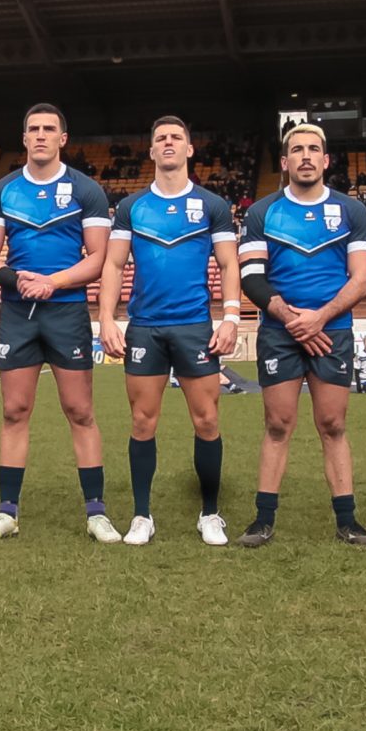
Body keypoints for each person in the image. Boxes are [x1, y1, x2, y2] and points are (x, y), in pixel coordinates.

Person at [235, 123, 366, 548]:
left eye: (313, 149)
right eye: (297, 149)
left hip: (332, 330)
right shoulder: (262, 212)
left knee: (333, 424)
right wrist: (292, 319)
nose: (305, 156)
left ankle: (348, 522)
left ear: (325, 159)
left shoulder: (351, 211)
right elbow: (252, 278)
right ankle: (263, 520)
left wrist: (319, 318)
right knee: (277, 424)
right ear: (284, 162)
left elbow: (362, 278)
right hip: (279, 332)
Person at [96, 115, 242, 547]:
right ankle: (142, 516)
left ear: (189, 149)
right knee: (142, 421)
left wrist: (231, 316)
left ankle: (210, 514)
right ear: (152, 151)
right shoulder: (131, 207)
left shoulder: (212, 205)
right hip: (145, 327)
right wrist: (106, 318)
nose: (168, 143)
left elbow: (229, 264)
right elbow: (113, 264)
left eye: (176, 137)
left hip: (195, 326)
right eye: (161, 138)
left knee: (207, 419)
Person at [0, 103, 116, 542]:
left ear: (62, 138)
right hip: (18, 312)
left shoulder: (86, 190)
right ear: (24, 138)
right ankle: (6, 511)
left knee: (80, 411)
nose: (40, 135)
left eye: (48, 129)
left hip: (66, 311)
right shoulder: (2, 191)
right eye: (33, 129)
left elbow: (98, 258)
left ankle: (96, 512)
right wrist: (15, 279)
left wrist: (52, 282)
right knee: (14, 411)